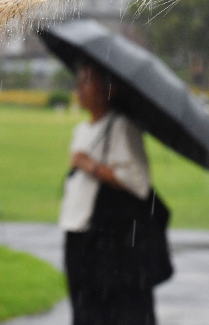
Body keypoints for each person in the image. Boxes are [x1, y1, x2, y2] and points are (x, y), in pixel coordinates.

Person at [60, 61, 160, 325]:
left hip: (105, 239)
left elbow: (138, 182)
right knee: (83, 310)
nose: (79, 89)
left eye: (87, 81)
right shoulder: (80, 130)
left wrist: (90, 165)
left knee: (112, 312)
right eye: (78, 81)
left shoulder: (122, 127)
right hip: (76, 232)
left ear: (109, 89)